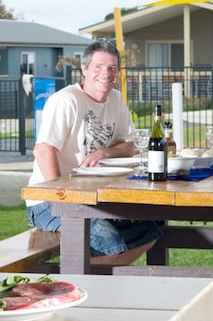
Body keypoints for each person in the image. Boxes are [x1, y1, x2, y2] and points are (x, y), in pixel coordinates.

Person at [25, 41, 162, 265]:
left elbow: (129, 144)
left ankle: (89, 279)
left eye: (112, 68)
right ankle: (75, 284)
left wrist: (104, 153)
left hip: (94, 197)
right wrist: (62, 197)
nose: (105, 73)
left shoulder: (116, 100)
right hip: (48, 201)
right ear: (84, 69)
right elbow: (43, 150)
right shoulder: (66, 100)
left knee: (149, 229)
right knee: (109, 244)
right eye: (98, 67)